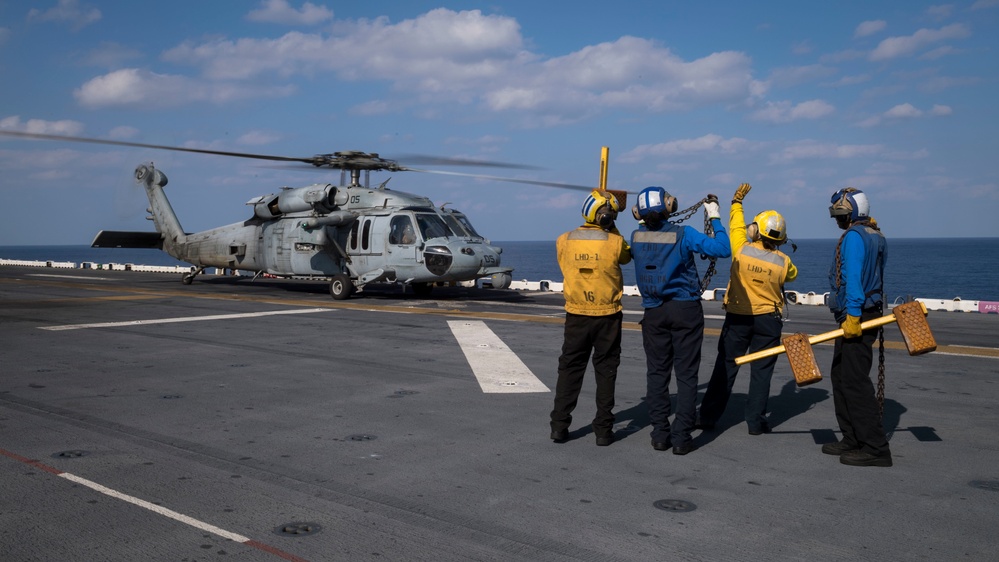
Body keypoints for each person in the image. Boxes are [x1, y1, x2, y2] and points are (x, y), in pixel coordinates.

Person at [630, 186, 730, 455]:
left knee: (657, 374)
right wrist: (715, 216)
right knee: (686, 376)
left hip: (653, 313)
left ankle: (660, 435)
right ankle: (682, 438)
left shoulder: (635, 237)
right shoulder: (684, 235)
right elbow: (722, 249)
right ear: (670, 206)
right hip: (685, 310)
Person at [697, 183, 798, 436]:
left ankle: (708, 417)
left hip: (738, 319)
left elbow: (736, 227)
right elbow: (792, 275)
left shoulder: (741, 249)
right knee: (762, 372)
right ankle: (755, 422)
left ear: (756, 231)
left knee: (726, 366)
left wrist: (736, 203)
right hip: (769, 321)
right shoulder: (784, 262)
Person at [550, 189, 632, 446]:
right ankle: (603, 431)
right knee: (606, 371)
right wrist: (613, 228)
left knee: (569, 370)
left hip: (575, 314)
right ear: (606, 216)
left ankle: (559, 426)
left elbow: (565, 266)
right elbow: (627, 257)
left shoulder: (564, 239)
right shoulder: (614, 242)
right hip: (607, 315)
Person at [823, 187, 892, 467]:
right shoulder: (877, 235)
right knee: (840, 376)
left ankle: (875, 447)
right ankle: (851, 437)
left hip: (857, 315)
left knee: (854, 381)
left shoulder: (853, 237)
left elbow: (853, 278)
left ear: (852, 211)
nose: (838, 219)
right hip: (869, 311)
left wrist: (852, 315)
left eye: (841, 213)